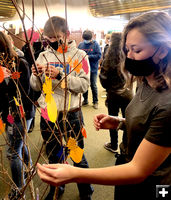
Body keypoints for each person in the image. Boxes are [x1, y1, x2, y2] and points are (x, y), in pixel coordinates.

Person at [37, 11, 171, 200]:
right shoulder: (147, 81)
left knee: (77, 154)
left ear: (163, 50)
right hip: (125, 168)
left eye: (137, 50)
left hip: (152, 185)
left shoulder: (168, 103)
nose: (129, 57)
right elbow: (150, 124)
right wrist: (120, 122)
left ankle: (85, 191)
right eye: (127, 50)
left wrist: (75, 174)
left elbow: (138, 170)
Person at [30, 16, 94, 200]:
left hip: (71, 113)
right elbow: (35, 87)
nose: (51, 42)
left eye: (55, 37)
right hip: (47, 113)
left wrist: (60, 74)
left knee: (76, 154)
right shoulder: (43, 55)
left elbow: (84, 86)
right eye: (48, 38)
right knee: (53, 154)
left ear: (66, 34)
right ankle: (57, 188)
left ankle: (85, 189)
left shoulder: (80, 56)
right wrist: (35, 75)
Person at [0, 31, 32, 199]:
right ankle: (30, 168)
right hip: (8, 113)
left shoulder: (20, 63)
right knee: (19, 143)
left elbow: (24, 95)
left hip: (20, 113)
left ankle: (18, 189)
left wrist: (6, 79)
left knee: (13, 151)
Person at [99, 32, 133, 153]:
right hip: (128, 94)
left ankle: (113, 145)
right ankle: (125, 146)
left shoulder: (108, 59)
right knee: (127, 121)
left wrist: (109, 88)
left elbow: (103, 80)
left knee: (112, 120)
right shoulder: (130, 55)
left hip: (113, 95)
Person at [78, 30, 101, 109]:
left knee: (93, 85)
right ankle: (85, 100)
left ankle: (95, 101)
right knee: (84, 84)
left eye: (88, 40)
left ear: (91, 38)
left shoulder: (96, 44)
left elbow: (99, 55)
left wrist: (89, 57)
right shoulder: (80, 45)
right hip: (83, 69)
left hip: (93, 69)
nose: (86, 41)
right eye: (85, 39)